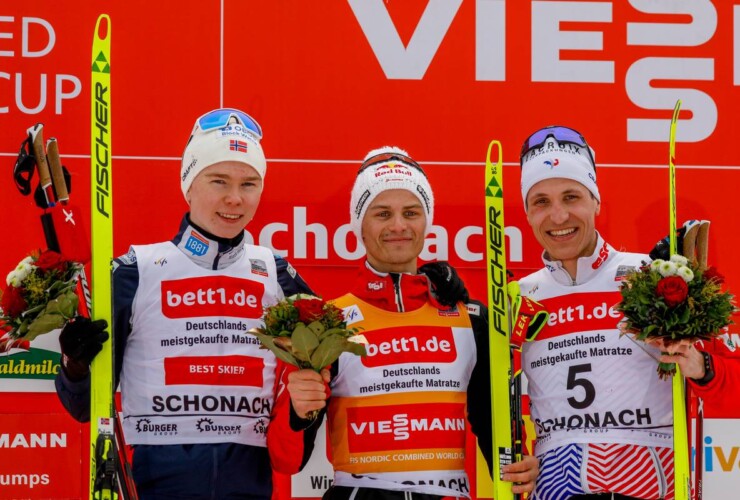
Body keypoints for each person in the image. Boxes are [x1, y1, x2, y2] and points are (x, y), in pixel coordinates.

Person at [54, 108, 320, 499]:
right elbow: (85, 406)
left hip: (249, 482)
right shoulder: (134, 271)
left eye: (249, 183)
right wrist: (75, 365)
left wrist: (303, 410)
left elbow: (314, 390)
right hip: (157, 480)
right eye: (218, 180)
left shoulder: (278, 275)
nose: (234, 198)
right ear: (189, 184)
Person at [285, 146, 539, 499]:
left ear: (426, 221)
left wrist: (520, 467)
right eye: (382, 213)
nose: (399, 226)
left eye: (411, 212)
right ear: (359, 224)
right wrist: (297, 413)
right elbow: (292, 460)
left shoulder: (471, 319)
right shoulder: (328, 324)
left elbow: (495, 434)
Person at [515, 125, 738, 499]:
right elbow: (498, 405)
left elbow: (729, 383)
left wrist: (699, 366)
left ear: (596, 201)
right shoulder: (518, 298)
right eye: (541, 201)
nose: (558, 216)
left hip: (652, 481)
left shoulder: (656, 276)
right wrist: (526, 455)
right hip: (558, 487)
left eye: (572, 196)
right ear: (525, 211)